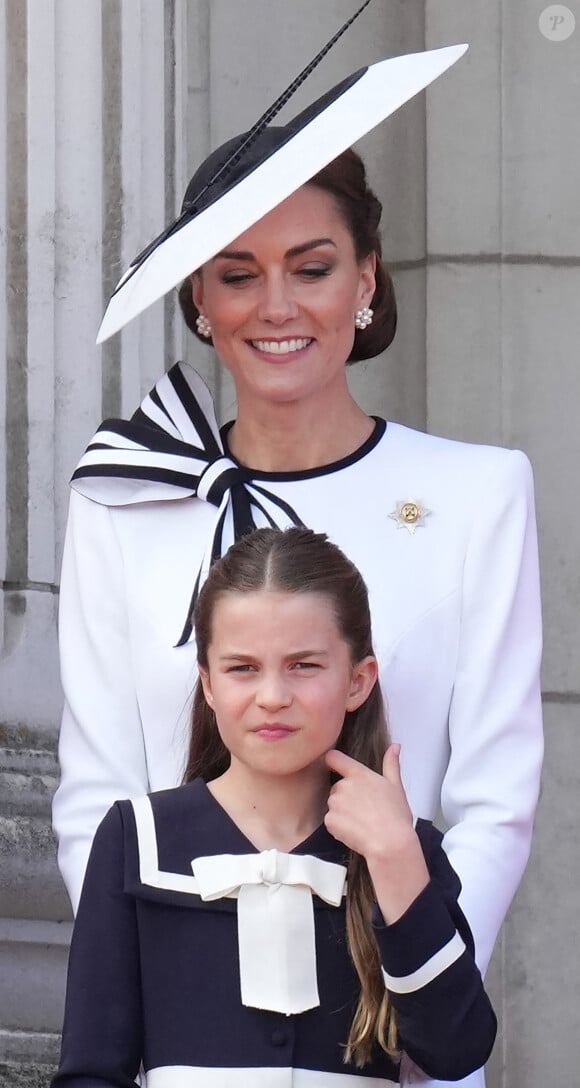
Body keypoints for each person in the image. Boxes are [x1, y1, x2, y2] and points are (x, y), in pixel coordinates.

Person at [52, 34, 542, 1088]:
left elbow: (494, 801)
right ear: (199, 301)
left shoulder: (477, 493)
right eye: (238, 275)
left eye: (311, 268)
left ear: (364, 279)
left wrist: (409, 1007)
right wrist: (166, 1014)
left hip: (396, 1039)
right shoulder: (121, 503)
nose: (277, 306)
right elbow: (98, 795)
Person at [52, 527, 497, 1087]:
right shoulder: (137, 838)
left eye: (304, 666)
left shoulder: (407, 847)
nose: (272, 696)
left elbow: (457, 1051)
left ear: (358, 681)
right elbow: (91, 1073)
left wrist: (396, 863)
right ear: (208, 684)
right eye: (242, 668)